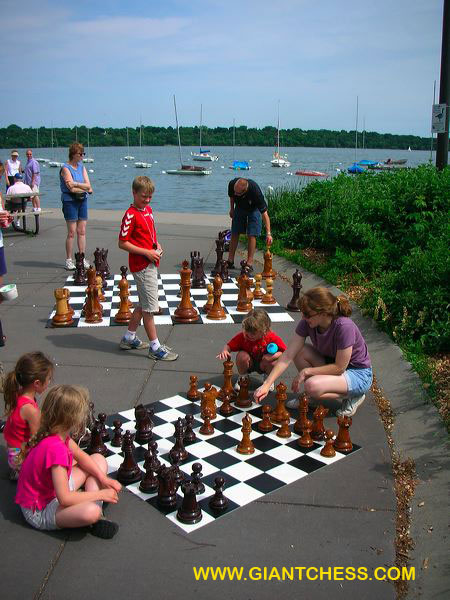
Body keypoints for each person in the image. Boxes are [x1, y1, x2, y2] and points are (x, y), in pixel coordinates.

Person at [15, 384, 121, 539]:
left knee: (97, 459)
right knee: (91, 512)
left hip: (54, 488)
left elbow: (80, 455)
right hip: (40, 509)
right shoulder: (56, 450)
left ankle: (95, 508)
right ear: (73, 419)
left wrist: (103, 478)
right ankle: (97, 515)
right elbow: (64, 498)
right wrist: (101, 493)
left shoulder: (56, 433)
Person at [254, 287, 372, 416]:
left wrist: (306, 372)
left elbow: (339, 367)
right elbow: (288, 355)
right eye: (303, 313)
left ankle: (354, 395)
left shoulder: (344, 326)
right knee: (300, 351)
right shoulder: (307, 322)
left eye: (308, 314)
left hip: (358, 373)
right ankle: (315, 396)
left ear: (323, 313)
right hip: (331, 364)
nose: (303, 317)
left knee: (311, 385)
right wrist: (267, 384)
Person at [118, 176, 178, 361]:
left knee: (144, 303)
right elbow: (122, 242)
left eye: (150, 197)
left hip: (150, 261)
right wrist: (146, 252)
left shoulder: (148, 210)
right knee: (150, 309)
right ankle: (155, 347)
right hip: (142, 266)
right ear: (134, 193)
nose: (147, 200)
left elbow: (150, 232)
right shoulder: (130, 214)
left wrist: (156, 245)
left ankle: (129, 337)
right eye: (144, 196)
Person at [3, 352, 54, 479]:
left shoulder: (18, 392)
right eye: (49, 379)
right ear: (37, 383)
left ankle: (17, 470)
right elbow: (38, 441)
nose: (49, 382)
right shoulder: (30, 410)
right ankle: (22, 473)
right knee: (58, 457)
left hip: (13, 453)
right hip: (19, 458)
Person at [217, 308, 286, 391]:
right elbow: (228, 346)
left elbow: (285, 352)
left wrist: (272, 357)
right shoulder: (243, 336)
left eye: (253, 333)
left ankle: (269, 380)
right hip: (249, 362)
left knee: (274, 362)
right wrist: (225, 350)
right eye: (247, 331)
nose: (249, 335)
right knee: (241, 356)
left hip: (264, 363)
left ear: (264, 330)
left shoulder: (271, 337)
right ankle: (243, 376)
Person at [226, 178, 273, 273]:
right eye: (235, 191)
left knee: (252, 234)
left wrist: (268, 233)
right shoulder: (232, 184)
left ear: (244, 191)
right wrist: (232, 209)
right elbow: (232, 196)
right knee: (235, 231)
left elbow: (265, 214)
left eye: (238, 193)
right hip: (239, 207)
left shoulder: (255, 192)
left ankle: (249, 263)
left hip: (254, 209)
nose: (235, 194)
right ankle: (230, 260)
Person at [59, 142, 93, 271]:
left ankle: (81, 257)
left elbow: (88, 185)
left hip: (82, 200)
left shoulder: (82, 167)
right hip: (70, 201)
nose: (82, 156)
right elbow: (70, 188)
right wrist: (81, 186)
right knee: (72, 232)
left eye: (83, 154)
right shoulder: (65, 168)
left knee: (82, 231)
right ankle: (68, 259)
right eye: (80, 154)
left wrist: (77, 184)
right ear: (74, 154)